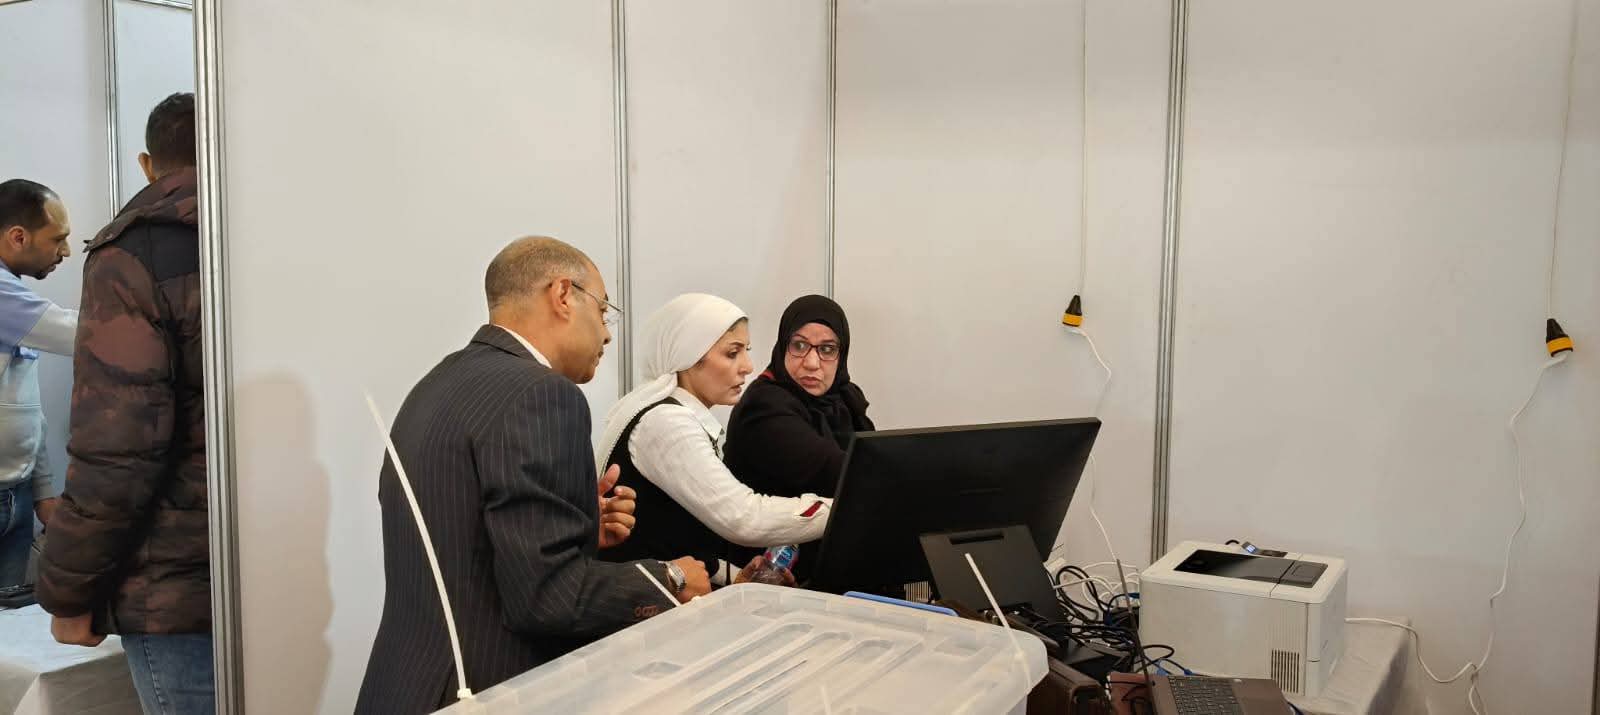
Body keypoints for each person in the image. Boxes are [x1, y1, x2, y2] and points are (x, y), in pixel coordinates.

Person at [355, 237, 711, 714]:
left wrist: (579, 528)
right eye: (603, 311)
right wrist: (668, 578)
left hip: (406, 686)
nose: (607, 336)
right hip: (481, 689)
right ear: (563, 295)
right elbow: (547, 599)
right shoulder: (542, 394)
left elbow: (460, 540)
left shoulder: (438, 382)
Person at [34, 92, 212, 715]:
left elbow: (119, 450)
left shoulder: (135, 254)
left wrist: (68, 591)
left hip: (176, 582)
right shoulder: (291, 236)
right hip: (299, 561)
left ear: (146, 164)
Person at [596, 294, 829, 586]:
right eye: (732, 353)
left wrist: (733, 575)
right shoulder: (666, 423)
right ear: (688, 356)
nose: (747, 366)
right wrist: (839, 510)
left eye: (745, 351)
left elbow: (675, 536)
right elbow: (744, 517)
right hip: (643, 605)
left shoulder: (677, 416)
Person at [723, 295, 874, 583]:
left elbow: (872, 462)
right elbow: (839, 473)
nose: (812, 363)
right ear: (783, 346)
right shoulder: (763, 405)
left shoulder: (845, 399)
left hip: (834, 567)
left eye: (827, 349)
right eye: (800, 346)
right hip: (771, 580)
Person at [0, 179, 77, 589]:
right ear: (18, 237)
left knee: (9, 622)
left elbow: (27, 409)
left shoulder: (14, 297)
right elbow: (80, 333)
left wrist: (43, 491)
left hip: (16, 494)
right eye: (58, 239)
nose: (65, 251)